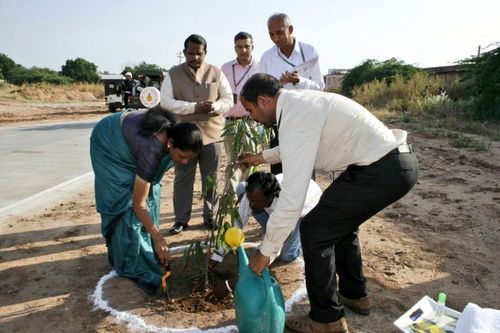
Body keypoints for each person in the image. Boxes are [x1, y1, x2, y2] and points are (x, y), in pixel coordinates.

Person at [237, 74, 419, 333]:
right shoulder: (298, 107)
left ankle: (326, 319)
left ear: (263, 101)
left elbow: (291, 199)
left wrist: (266, 252)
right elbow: (295, 145)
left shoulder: (295, 118)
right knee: (341, 225)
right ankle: (354, 294)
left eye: (250, 109)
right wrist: (260, 157)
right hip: (391, 165)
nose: (251, 116)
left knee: (315, 229)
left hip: (380, 169)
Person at [90, 108, 202, 295]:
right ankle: (130, 261)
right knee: (124, 203)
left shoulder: (174, 134)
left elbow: (148, 187)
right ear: (171, 143)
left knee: (150, 193)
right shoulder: (152, 148)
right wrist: (158, 238)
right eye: (181, 156)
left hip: (130, 140)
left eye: (188, 159)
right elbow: (138, 204)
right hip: (108, 143)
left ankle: (147, 248)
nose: (184, 162)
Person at [160, 34, 233, 234]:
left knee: (212, 177)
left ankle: (211, 217)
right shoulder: (173, 74)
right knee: (183, 178)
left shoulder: (216, 73)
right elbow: (165, 101)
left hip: (213, 135)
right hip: (184, 136)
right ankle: (181, 220)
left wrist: (215, 106)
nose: (195, 57)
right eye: (191, 53)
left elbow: (228, 99)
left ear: (205, 53)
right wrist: (193, 107)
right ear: (184, 53)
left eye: (199, 53)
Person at [259, 13, 325, 175]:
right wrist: (278, 85)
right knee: (279, 172)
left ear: (290, 29)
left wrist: (298, 81)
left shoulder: (309, 52)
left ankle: (308, 200)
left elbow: (319, 87)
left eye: (279, 32)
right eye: (271, 34)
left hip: (307, 119)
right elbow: (263, 92)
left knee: (305, 170)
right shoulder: (267, 58)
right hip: (279, 121)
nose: (275, 38)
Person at [237, 171, 321, 263]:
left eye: (256, 201)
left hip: (307, 211)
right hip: (283, 213)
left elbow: (277, 240)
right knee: (241, 188)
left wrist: (263, 258)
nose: (251, 204)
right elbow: (238, 222)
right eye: (250, 199)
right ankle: (271, 229)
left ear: (270, 197)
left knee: (287, 255)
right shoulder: (255, 193)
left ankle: (304, 238)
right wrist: (220, 254)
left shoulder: (286, 204)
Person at [221, 32, 261, 196]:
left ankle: (247, 198)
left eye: (247, 46)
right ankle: (230, 199)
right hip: (230, 122)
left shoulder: (260, 68)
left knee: (251, 161)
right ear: (234, 47)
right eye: (239, 46)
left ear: (253, 47)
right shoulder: (225, 68)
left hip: (252, 123)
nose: (243, 50)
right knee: (232, 162)